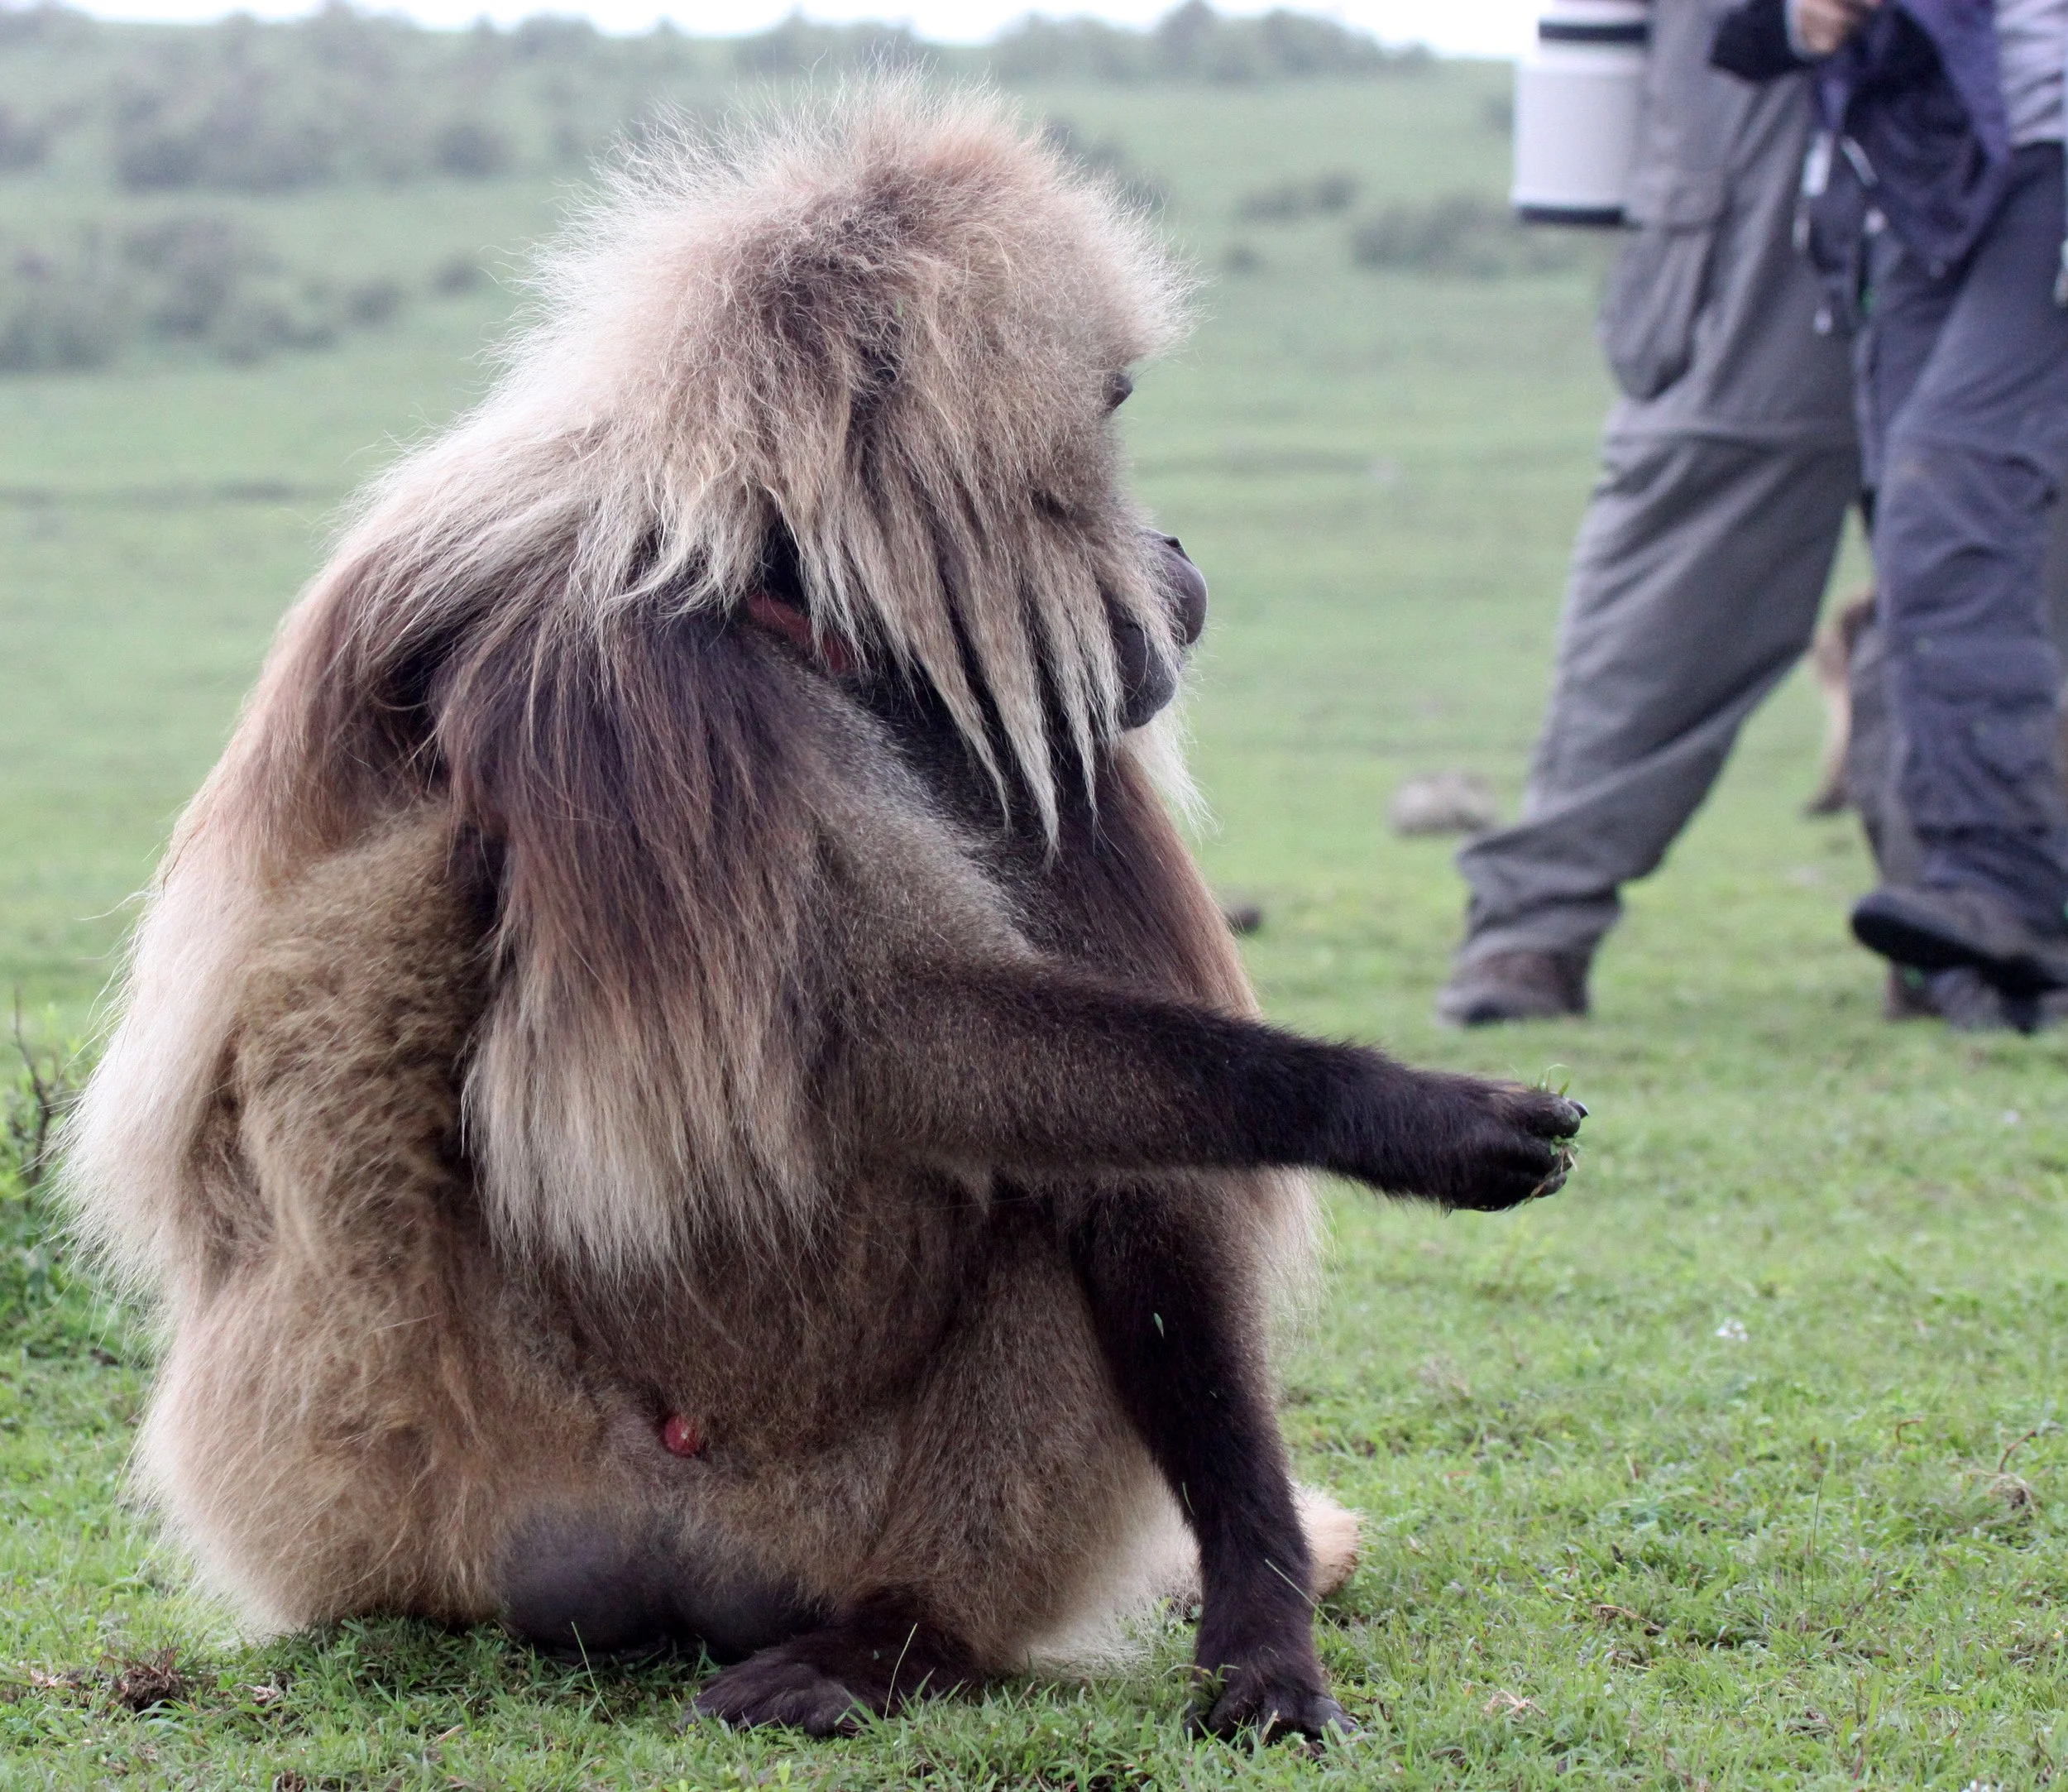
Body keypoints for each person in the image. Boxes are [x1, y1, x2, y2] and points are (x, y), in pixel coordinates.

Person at [1437, 0, 1859, 1026]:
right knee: (1683, 570)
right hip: (1754, 167)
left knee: (2005, 561)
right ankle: (1535, 920)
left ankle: (1978, 912)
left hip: (2015, 152)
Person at [1724, 0, 2068, 1006]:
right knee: (1924, 543)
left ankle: (2005, 884)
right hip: (1912, 187)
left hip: (2042, 159)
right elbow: (1740, 38)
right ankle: (1986, 924)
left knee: (1947, 497)